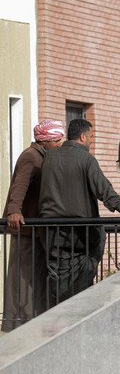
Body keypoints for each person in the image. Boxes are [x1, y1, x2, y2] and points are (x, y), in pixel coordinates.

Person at [38, 119, 120, 307]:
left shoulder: (49, 157)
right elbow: (104, 189)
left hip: (52, 232)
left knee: (58, 279)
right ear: (83, 136)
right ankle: (77, 313)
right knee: (83, 277)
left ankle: (56, 319)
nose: (92, 141)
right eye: (91, 137)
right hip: (81, 234)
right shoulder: (86, 159)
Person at [1, 119, 65, 331]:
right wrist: (13, 211)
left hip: (34, 231)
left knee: (32, 279)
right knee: (22, 279)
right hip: (26, 230)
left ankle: (31, 322)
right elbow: (19, 186)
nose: (60, 143)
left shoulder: (42, 156)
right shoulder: (31, 157)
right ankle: (18, 325)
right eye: (57, 140)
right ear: (45, 140)